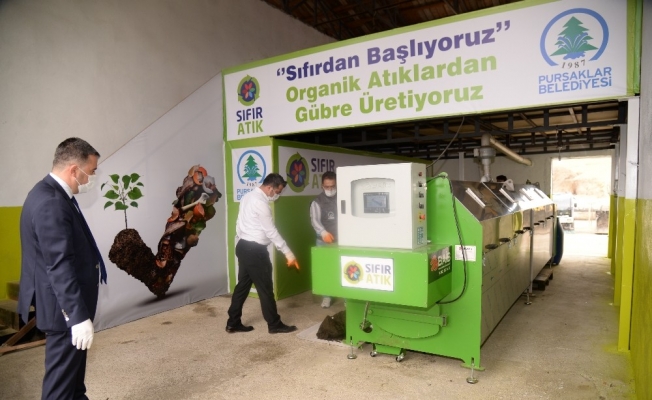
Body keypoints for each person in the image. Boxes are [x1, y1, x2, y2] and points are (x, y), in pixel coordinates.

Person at [18, 137, 107, 400]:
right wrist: (76, 317)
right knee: (59, 389)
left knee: (74, 384)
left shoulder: (49, 193)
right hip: (63, 311)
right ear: (74, 170)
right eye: (91, 172)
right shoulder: (52, 202)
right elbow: (59, 265)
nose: (92, 178)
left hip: (64, 306)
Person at [226, 173, 300, 334]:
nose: (277, 195)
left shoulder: (247, 197)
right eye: (278, 192)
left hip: (243, 247)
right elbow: (271, 231)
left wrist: (243, 239)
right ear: (270, 188)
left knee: (242, 287)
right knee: (265, 289)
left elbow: (239, 223)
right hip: (255, 252)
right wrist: (288, 253)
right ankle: (274, 324)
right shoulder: (261, 203)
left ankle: (233, 322)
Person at [309, 171, 337, 308]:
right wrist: (323, 232)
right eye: (327, 186)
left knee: (343, 268)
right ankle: (327, 297)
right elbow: (314, 220)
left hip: (341, 241)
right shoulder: (317, 202)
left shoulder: (343, 197)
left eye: (332, 186)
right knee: (325, 269)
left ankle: (347, 297)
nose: (330, 189)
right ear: (322, 186)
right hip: (323, 241)